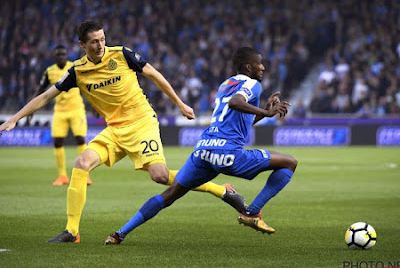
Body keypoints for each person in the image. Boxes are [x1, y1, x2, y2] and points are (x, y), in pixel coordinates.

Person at [0, 20, 246, 243]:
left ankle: (221, 190)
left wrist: (179, 103)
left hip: (141, 123)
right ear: (82, 45)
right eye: (94, 41)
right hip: (115, 129)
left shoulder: (122, 54)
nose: (100, 45)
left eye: (102, 39)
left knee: (159, 176)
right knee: (82, 162)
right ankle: (71, 231)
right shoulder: (77, 71)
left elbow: (154, 75)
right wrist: (14, 119)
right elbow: (45, 96)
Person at [105, 47, 297, 245]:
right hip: (227, 153)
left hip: (204, 150)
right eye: (259, 63)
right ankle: (252, 212)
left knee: (170, 194)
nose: (263, 67)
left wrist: (263, 110)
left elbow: (238, 122)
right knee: (290, 162)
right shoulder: (252, 84)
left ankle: (119, 233)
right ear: (249, 67)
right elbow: (235, 103)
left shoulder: (225, 84)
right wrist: (267, 114)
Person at [28, 45, 92, 186]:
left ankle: (85, 175)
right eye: (58, 55)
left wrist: (94, 106)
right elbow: (40, 90)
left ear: (66, 55)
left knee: (81, 139)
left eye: (63, 54)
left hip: (76, 109)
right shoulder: (49, 71)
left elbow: (88, 86)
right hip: (60, 111)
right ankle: (62, 176)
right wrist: (31, 109)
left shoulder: (75, 67)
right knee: (57, 141)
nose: (61, 57)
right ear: (55, 56)